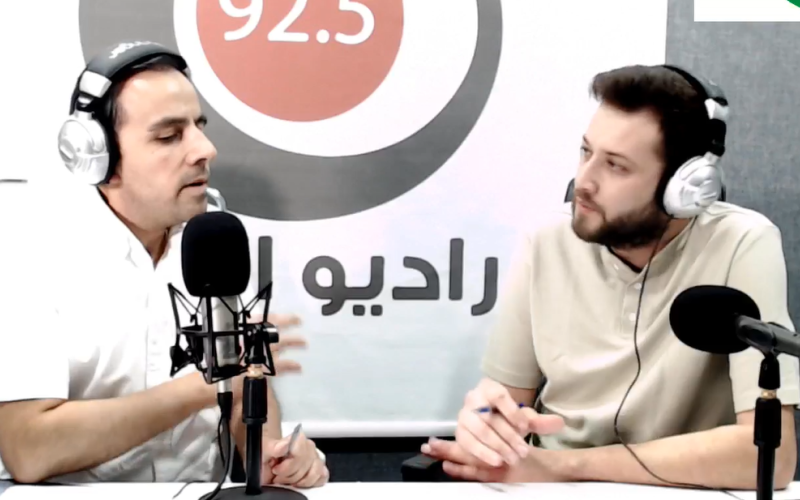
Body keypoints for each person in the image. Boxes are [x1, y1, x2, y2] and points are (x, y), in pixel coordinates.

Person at [421, 64, 800, 489]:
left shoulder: (741, 244)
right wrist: (486, 423)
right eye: (586, 152)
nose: (584, 182)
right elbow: (504, 405)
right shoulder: (546, 239)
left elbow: (772, 457)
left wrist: (564, 466)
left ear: (685, 186)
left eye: (616, 166)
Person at [0, 41, 328, 488]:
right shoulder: (28, 254)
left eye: (199, 127)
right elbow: (29, 449)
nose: (205, 149)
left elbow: (241, 393)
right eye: (169, 136)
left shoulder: (211, 238)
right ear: (96, 156)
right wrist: (199, 388)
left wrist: (271, 453)